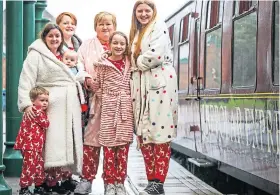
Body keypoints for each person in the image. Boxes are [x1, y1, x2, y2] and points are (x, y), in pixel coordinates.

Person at [18, 23, 84, 194]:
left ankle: (65, 178)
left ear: (61, 38)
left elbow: (77, 71)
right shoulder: (36, 55)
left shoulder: (65, 55)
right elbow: (26, 79)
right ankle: (48, 181)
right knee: (51, 145)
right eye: (51, 36)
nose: (54, 39)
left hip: (69, 106)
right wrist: (26, 104)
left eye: (57, 36)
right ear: (44, 37)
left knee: (66, 141)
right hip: (50, 106)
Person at [129, 1, 178, 195]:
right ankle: (151, 181)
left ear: (153, 11)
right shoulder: (137, 32)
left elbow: (154, 56)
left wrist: (136, 61)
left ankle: (159, 182)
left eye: (146, 10)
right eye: (139, 11)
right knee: (145, 135)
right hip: (143, 88)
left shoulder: (159, 27)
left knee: (160, 135)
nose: (143, 14)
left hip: (160, 86)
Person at [74, 11, 117, 195]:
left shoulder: (120, 43)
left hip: (115, 103)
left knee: (113, 145)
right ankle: (86, 179)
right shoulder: (86, 45)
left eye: (109, 24)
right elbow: (78, 65)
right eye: (101, 24)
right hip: (94, 100)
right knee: (90, 142)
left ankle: (111, 181)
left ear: (114, 26)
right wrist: (87, 79)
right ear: (95, 27)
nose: (105, 27)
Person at [87, 31, 133, 195]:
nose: (119, 46)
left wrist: (124, 98)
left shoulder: (130, 63)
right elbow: (97, 85)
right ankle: (109, 183)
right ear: (110, 44)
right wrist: (106, 98)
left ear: (126, 45)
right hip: (107, 109)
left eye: (122, 43)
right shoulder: (102, 65)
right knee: (108, 149)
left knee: (123, 149)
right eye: (115, 43)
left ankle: (120, 182)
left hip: (125, 110)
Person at [14, 86, 50, 195]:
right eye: (42, 100)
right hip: (30, 146)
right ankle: (24, 188)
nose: (45, 103)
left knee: (38, 166)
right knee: (29, 167)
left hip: (35, 145)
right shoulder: (35, 111)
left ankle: (38, 186)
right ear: (33, 101)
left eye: (46, 101)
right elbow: (46, 124)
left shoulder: (35, 110)